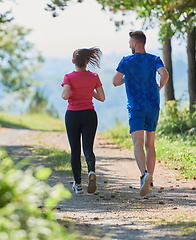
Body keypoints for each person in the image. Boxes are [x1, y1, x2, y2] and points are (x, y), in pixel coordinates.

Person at [112, 31, 169, 197]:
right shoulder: (154, 59)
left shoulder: (126, 61)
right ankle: (150, 180)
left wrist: (126, 78)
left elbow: (115, 82)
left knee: (137, 143)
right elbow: (164, 75)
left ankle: (144, 175)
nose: (129, 45)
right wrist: (159, 86)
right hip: (152, 105)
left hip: (135, 107)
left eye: (130, 42)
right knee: (150, 143)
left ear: (135, 43)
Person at [61, 47, 105, 194]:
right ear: (87, 62)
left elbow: (66, 96)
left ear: (73, 61)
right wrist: (88, 90)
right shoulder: (94, 76)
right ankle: (91, 170)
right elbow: (101, 98)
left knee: (75, 150)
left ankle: (78, 185)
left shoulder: (68, 77)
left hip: (73, 115)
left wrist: (67, 90)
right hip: (89, 115)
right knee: (88, 148)